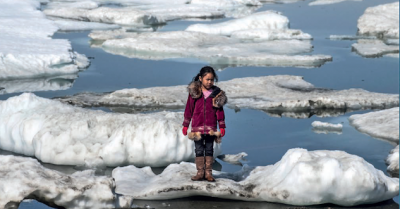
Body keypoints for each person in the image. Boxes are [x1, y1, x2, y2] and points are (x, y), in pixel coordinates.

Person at [182, 66, 227, 182]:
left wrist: (221, 125)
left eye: (212, 80)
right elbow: (189, 109)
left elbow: (220, 111)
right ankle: (200, 172)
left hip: (211, 127)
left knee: (209, 149)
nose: (209, 82)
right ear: (201, 78)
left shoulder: (217, 94)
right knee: (198, 149)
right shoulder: (195, 92)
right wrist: (186, 124)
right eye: (207, 79)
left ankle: (208, 173)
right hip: (197, 127)